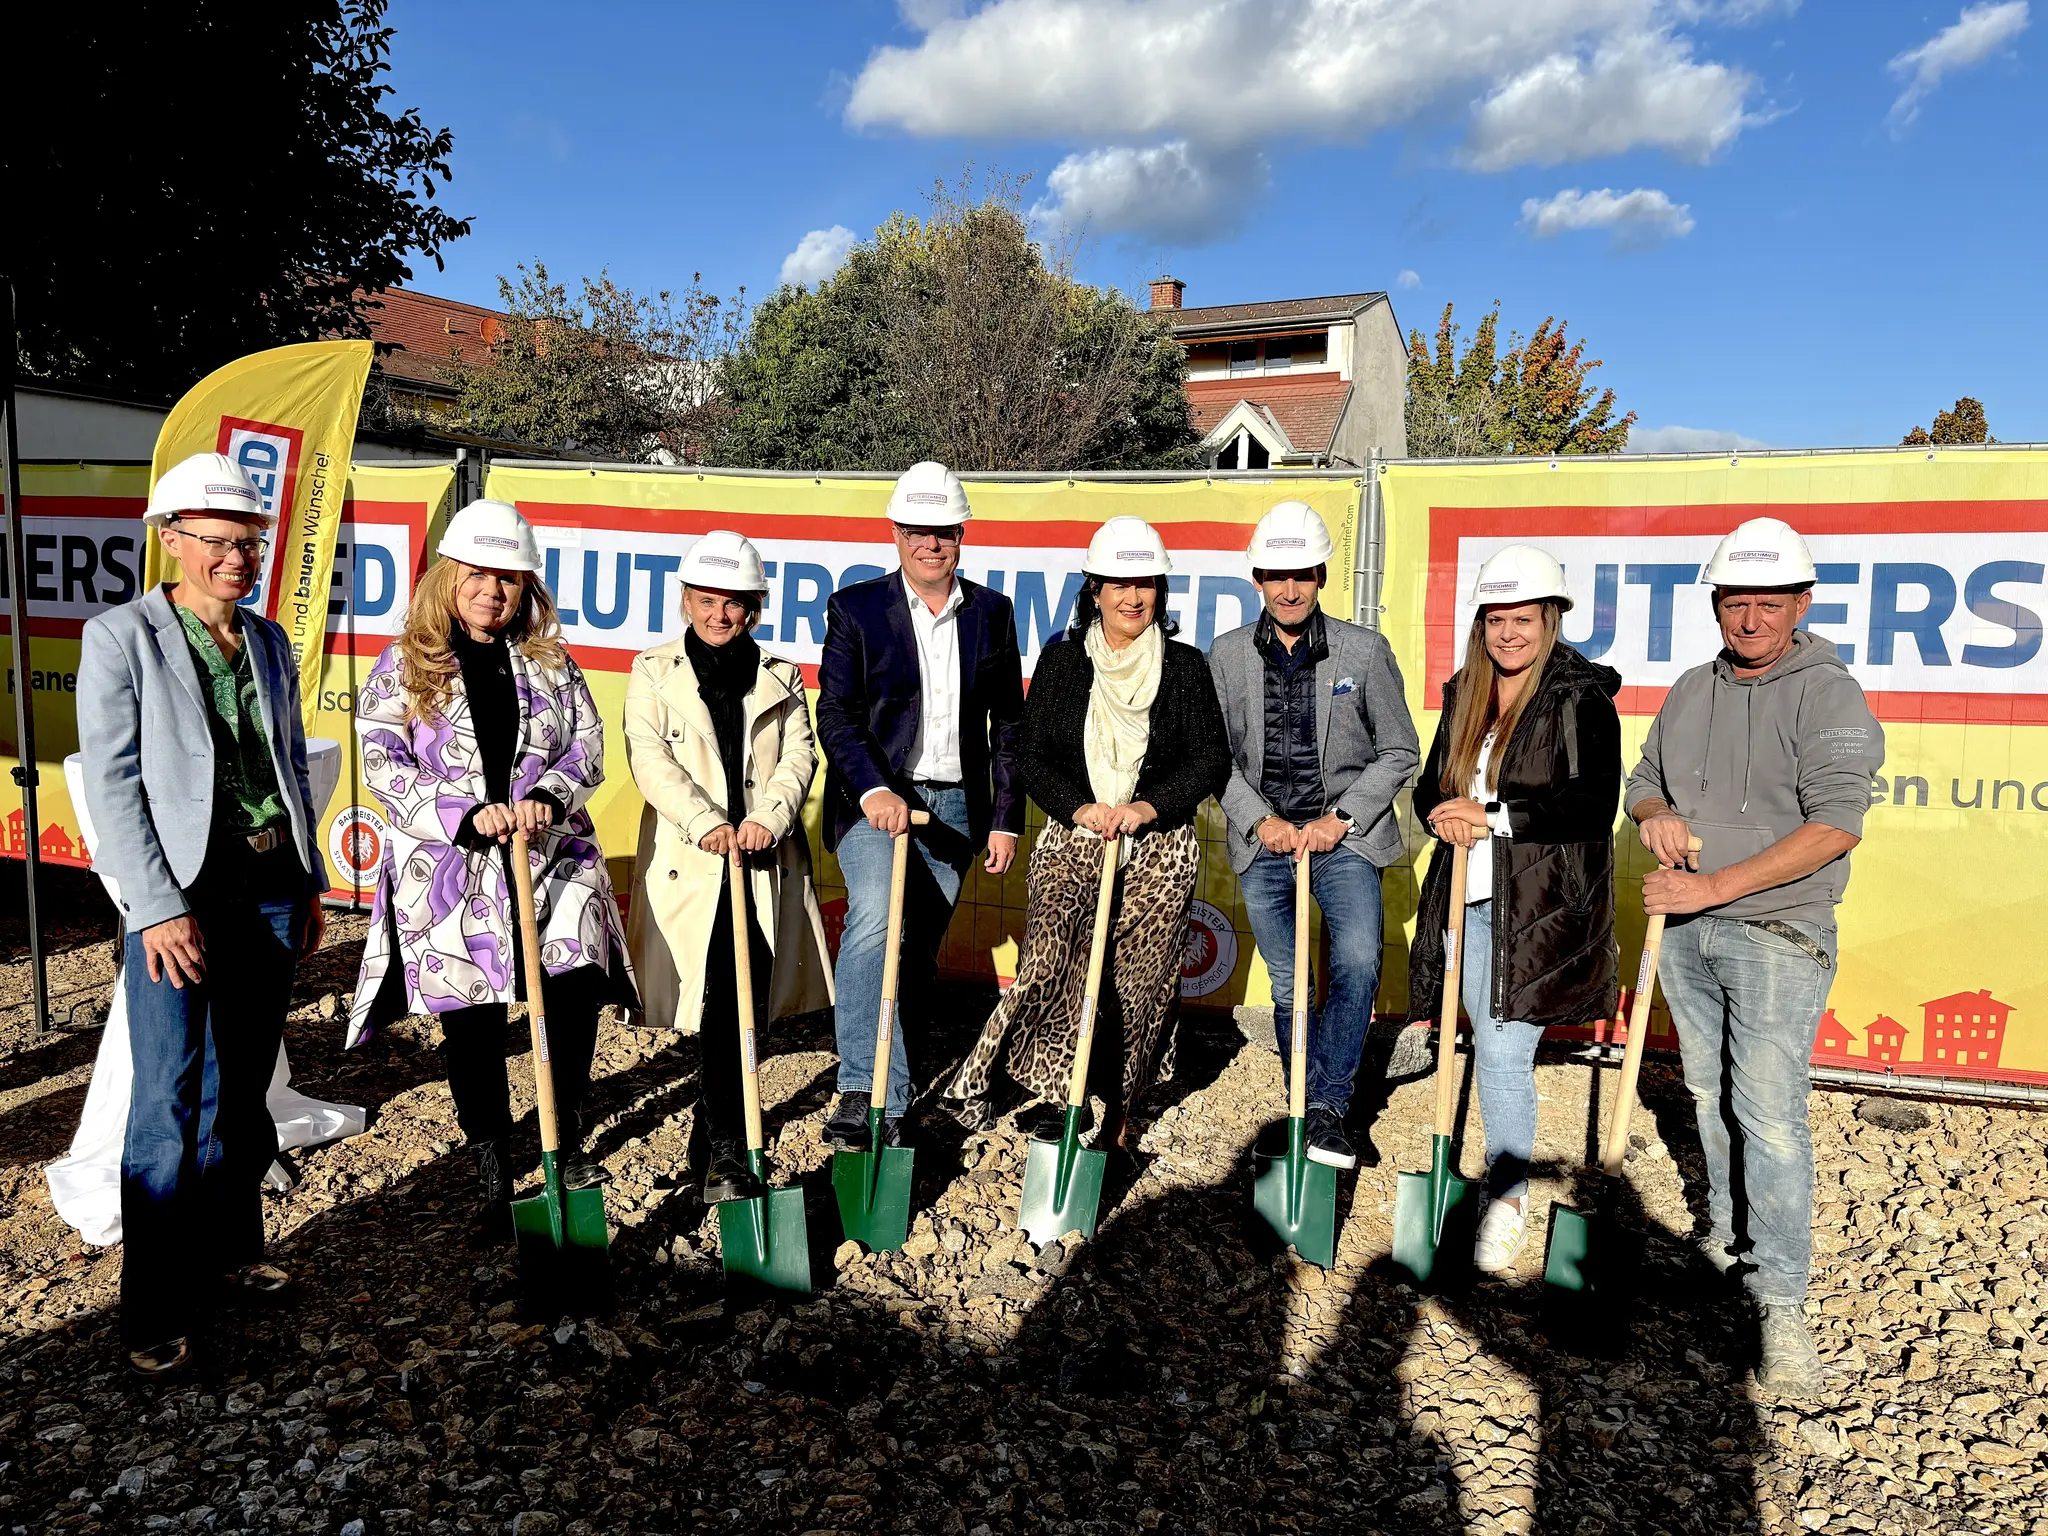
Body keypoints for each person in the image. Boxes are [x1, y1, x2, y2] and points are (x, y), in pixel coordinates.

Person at [77, 452, 329, 1375]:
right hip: (178, 899)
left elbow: (290, 767)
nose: (237, 558)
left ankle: (232, 1253)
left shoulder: (266, 641)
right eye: (218, 542)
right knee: (167, 1101)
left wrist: (306, 883)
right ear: (170, 539)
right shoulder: (123, 639)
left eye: (249, 542)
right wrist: (154, 909)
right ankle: (151, 1306)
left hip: (267, 889)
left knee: (243, 1088)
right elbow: (113, 786)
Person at [1626, 517, 1882, 1396]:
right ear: (1716, 605)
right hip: (1689, 934)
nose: (1751, 620)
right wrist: (1654, 811)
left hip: (1779, 932)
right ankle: (1729, 1245)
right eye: (1736, 602)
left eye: (1768, 603)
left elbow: (1836, 825)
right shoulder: (1694, 688)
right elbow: (1643, 778)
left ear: (1801, 605)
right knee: (1708, 1094)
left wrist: (1713, 886)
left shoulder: (1828, 694)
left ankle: (1780, 1300)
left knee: (1769, 1115)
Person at [345, 499, 636, 1239]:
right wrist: (460, 813)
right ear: (449, 576)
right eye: (478, 575)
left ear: (526, 589)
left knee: (572, 989)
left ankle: (566, 1138)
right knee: (470, 1019)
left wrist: (547, 794)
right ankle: (492, 1165)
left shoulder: (550, 662)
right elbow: (381, 759)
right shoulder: (404, 665)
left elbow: (588, 745)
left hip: (550, 856)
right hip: (450, 871)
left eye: (509, 580)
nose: (492, 592)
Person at [946, 517, 1231, 1144]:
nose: (1133, 598)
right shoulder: (1063, 660)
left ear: (1159, 590)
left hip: (1158, 845)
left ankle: (1121, 1098)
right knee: (1054, 959)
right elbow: (1033, 756)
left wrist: (1146, 807)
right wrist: (1081, 808)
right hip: (1074, 836)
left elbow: (1209, 759)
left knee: (1140, 978)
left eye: (1146, 584)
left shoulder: (1184, 667)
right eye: (1119, 584)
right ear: (1094, 590)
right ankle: (1053, 1087)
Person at [1406, 547, 1622, 1272]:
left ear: (1550, 619)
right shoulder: (1466, 689)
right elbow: (1430, 788)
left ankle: (1507, 1198)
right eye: (1497, 619)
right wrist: (1440, 812)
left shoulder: (1581, 696)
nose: (1509, 634)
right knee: (1481, 1042)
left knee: (1500, 1052)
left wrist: (1491, 814)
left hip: (1533, 906)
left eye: (1523, 619)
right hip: (1464, 899)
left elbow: (1592, 804)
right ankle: (1487, 1183)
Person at [815, 462, 1025, 1147]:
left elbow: (1008, 724)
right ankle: (867, 1094)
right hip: (873, 801)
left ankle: (889, 1084)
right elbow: (838, 716)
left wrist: (1003, 818)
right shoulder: (856, 609)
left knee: (910, 954)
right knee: (877, 921)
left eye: (943, 532)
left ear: (961, 535)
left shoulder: (992, 613)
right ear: (896, 534)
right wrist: (875, 789)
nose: (929, 544)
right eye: (916, 531)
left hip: (958, 810)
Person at [622, 531, 833, 1202]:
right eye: (707, 600)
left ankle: (711, 1135)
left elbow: (800, 755)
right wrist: (705, 821)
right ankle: (724, 1147)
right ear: (686, 599)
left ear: (755, 608)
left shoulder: (781, 674)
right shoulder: (652, 670)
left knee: (745, 1003)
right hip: (696, 863)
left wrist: (768, 817)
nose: (719, 615)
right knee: (719, 998)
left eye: (735, 603)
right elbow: (649, 757)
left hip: (761, 861)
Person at [1208, 502, 1419, 1170]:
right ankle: (1302, 1102)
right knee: (1290, 981)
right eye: (1275, 575)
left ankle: (1330, 1107)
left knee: (1356, 959)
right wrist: (1258, 819)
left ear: (1322, 574)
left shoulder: (1364, 650)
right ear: (1258, 581)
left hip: (1344, 844)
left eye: (1301, 574)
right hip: (1265, 843)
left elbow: (1399, 750)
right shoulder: (1227, 654)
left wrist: (1341, 820)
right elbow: (1215, 757)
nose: (1289, 589)